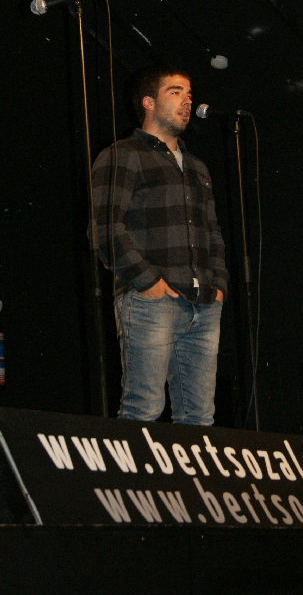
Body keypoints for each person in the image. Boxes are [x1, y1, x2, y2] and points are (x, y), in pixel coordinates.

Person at [92, 65, 228, 424]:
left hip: (203, 303)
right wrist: (148, 281)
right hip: (151, 301)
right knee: (143, 408)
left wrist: (218, 286)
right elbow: (104, 229)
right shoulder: (123, 155)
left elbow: (213, 232)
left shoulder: (197, 167)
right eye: (175, 92)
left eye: (189, 94)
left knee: (199, 416)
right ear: (148, 102)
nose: (187, 101)